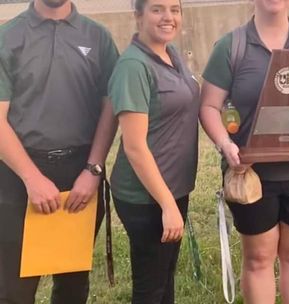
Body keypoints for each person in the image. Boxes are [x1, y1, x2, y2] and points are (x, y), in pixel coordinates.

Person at [200, 0, 289, 302]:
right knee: (258, 258)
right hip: (251, 172)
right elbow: (210, 106)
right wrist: (225, 144)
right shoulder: (232, 45)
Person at [0, 0, 119, 303]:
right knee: (14, 288)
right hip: (18, 175)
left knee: (72, 286)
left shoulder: (98, 38)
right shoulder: (8, 37)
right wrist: (31, 179)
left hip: (80, 172)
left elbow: (110, 106)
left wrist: (93, 170)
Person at [107, 0, 199, 302]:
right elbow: (134, 146)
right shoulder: (134, 67)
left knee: (164, 279)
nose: (168, 17)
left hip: (173, 189)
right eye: (157, 9)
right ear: (138, 16)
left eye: (175, 9)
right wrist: (167, 205)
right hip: (147, 197)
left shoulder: (171, 54)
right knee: (150, 287)